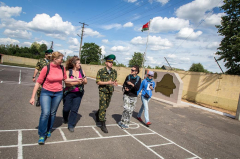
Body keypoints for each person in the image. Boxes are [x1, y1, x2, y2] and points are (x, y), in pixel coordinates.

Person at [29, 51, 81, 145]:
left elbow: (65, 79)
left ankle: (49, 130)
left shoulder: (62, 68)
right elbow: (38, 82)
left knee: (52, 113)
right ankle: (42, 134)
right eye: (61, 59)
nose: (62, 60)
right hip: (46, 92)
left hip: (58, 93)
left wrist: (76, 79)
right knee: (45, 113)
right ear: (55, 59)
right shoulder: (46, 68)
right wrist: (33, 97)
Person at [63, 56, 87, 132]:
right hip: (68, 93)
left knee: (74, 109)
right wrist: (77, 82)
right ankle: (65, 117)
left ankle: (71, 125)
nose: (80, 64)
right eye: (78, 63)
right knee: (66, 109)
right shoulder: (68, 71)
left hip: (78, 93)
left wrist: (82, 81)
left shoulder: (81, 71)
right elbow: (67, 83)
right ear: (74, 64)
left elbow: (86, 81)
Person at [95, 54, 118, 133]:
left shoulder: (114, 72)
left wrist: (115, 83)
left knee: (105, 106)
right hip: (103, 91)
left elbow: (114, 80)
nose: (111, 63)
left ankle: (98, 113)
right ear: (106, 63)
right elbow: (98, 82)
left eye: (112, 62)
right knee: (103, 106)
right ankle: (103, 124)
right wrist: (107, 82)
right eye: (109, 62)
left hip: (110, 91)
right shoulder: (101, 71)